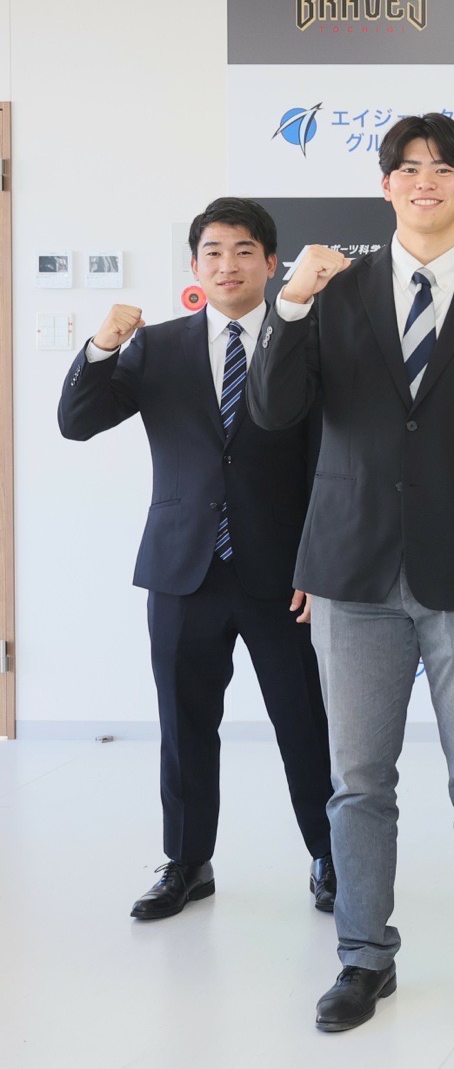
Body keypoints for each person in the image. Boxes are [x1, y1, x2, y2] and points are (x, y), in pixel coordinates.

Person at [247, 114, 454, 1039]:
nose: (427, 180)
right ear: (385, 185)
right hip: (351, 575)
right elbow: (272, 413)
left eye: (445, 166)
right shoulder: (330, 293)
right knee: (357, 782)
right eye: (409, 167)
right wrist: (287, 305)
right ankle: (363, 957)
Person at [58, 197, 333, 922]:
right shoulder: (157, 346)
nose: (227, 265)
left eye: (243, 251)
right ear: (193, 265)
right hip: (184, 570)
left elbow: (328, 464)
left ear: (271, 263)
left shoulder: (305, 339)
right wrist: (102, 346)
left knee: (305, 724)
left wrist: (320, 564)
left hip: (285, 576)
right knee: (184, 725)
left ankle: (330, 857)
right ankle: (186, 862)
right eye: (212, 251)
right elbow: (77, 423)